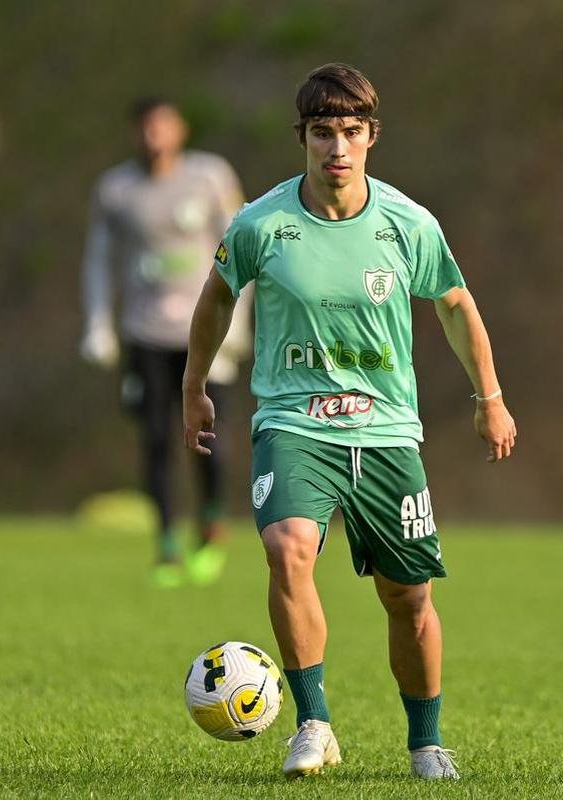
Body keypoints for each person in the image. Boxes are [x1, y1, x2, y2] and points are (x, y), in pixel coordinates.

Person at [181, 64, 516, 780]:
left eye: (351, 132)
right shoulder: (261, 225)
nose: (337, 146)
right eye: (323, 132)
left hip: (388, 431)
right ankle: (313, 724)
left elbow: (454, 305)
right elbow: (215, 297)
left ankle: (425, 743)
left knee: (408, 598)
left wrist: (489, 396)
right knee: (289, 548)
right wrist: (193, 385)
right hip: (293, 421)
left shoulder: (407, 223)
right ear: (302, 137)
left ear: (371, 137)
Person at [81, 96, 250, 588]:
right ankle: (167, 543)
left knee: (209, 441)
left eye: (163, 126)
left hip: (204, 334)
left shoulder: (210, 177)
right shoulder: (116, 190)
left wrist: (238, 325)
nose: (154, 135)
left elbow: (242, 249)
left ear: (181, 129)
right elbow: (98, 259)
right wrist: (98, 323)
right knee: (155, 438)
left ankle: (212, 522)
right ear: (136, 132)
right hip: (144, 333)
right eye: (146, 127)